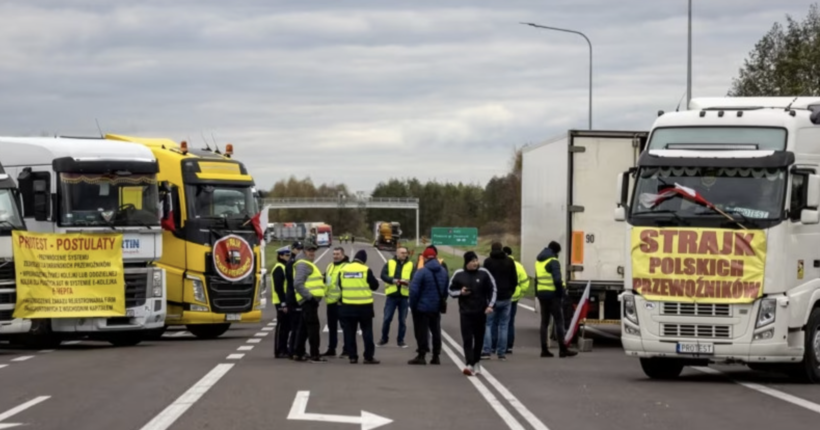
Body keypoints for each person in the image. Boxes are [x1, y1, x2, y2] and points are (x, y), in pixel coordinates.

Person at [449, 251, 496, 376]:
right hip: (465, 312)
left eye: (476, 260)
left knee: (479, 339)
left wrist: (490, 305)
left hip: (480, 312)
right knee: (467, 339)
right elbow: (450, 290)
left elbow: (493, 289)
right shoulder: (459, 274)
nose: (475, 263)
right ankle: (469, 363)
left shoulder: (484, 273)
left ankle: (476, 362)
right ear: (467, 262)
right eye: (472, 261)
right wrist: (460, 292)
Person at [535, 241, 578, 358]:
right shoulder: (553, 261)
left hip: (542, 294)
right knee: (559, 321)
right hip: (553, 295)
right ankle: (562, 349)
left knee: (544, 322)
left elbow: (536, 279)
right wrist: (561, 294)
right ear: (556, 251)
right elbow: (557, 280)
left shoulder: (539, 261)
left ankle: (544, 350)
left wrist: (537, 294)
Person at [338, 249, 381, 364]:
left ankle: (352, 356)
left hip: (347, 306)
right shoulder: (366, 270)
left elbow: (340, 285)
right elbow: (375, 286)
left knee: (349, 333)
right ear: (364, 260)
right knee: (367, 333)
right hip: (364, 307)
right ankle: (368, 357)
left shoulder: (343, 269)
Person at [408, 247, 448, 365]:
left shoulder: (422, 272)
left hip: (422, 307)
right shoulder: (443, 271)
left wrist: (413, 305)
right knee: (436, 331)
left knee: (422, 331)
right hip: (436, 307)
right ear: (436, 257)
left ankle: (422, 355)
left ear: (424, 258)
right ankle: (436, 356)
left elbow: (414, 291)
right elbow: (446, 290)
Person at [481, 242, 518, 361]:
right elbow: (514, 279)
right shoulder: (509, 261)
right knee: (504, 325)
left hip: (492, 297)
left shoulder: (488, 262)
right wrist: (510, 292)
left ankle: (487, 350)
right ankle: (501, 352)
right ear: (502, 249)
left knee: (488, 324)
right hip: (506, 296)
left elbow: (484, 279)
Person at [293, 238, 326, 362]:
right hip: (308, 302)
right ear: (303, 251)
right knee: (313, 328)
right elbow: (298, 283)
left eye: (313, 250)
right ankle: (314, 354)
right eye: (309, 250)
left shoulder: (306, 263)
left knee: (303, 328)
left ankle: (298, 352)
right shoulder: (303, 264)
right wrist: (310, 297)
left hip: (309, 301)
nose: (312, 252)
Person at [378, 246, 415, 348]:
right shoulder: (390, 263)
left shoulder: (411, 265)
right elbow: (383, 275)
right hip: (392, 295)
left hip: (404, 296)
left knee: (402, 320)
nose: (404, 254)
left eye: (405, 253)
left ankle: (400, 340)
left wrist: (408, 283)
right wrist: (392, 280)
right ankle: (384, 338)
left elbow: (415, 278)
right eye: (402, 253)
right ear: (397, 253)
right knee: (387, 319)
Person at [499, 246, 530, 355]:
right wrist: (520, 293)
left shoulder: (499, 264)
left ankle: (496, 346)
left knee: (499, 323)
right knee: (510, 322)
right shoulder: (518, 266)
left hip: (502, 296)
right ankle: (509, 347)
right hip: (514, 298)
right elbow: (525, 282)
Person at [322, 247, 349, 358]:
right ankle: (331, 349)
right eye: (334, 254)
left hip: (341, 302)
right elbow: (328, 282)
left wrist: (343, 299)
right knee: (332, 327)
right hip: (330, 301)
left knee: (345, 327)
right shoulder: (330, 266)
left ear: (343, 255)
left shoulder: (346, 267)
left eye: (337, 254)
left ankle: (347, 349)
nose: (335, 256)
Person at [272, 245, 292, 359]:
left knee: (286, 326)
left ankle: (284, 348)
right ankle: (279, 350)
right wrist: (283, 303)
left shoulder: (285, 267)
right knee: (282, 327)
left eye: (289, 255)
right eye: (286, 255)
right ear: (280, 256)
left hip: (284, 300)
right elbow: (278, 287)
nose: (288, 257)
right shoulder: (279, 268)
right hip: (280, 301)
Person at [285, 241, 304, 359]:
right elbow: (294, 282)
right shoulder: (292, 263)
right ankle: (293, 350)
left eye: (301, 249)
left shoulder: (295, 262)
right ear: (293, 249)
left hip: (294, 296)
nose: (300, 251)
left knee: (298, 326)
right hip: (294, 297)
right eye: (298, 249)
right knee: (296, 326)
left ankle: (296, 349)